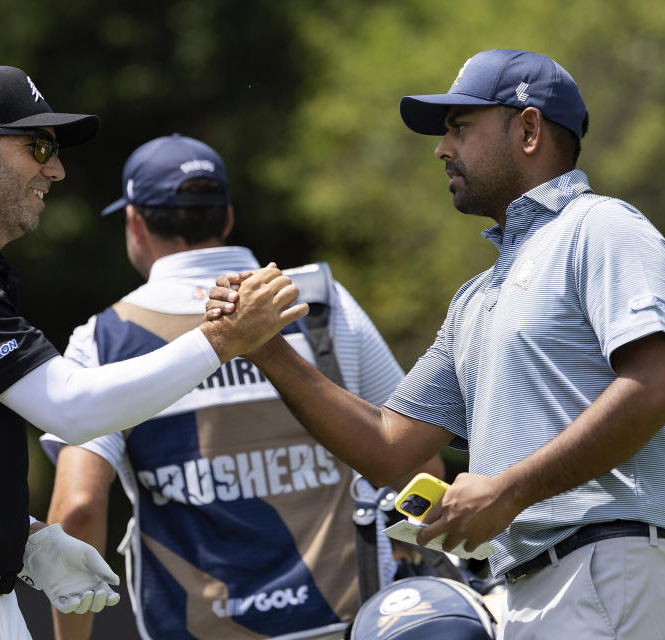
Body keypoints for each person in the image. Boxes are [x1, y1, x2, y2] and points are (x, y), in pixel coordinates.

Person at [208, 49, 665, 639]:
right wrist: (265, 347)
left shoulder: (603, 227)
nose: (442, 149)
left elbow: (658, 386)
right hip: (531, 586)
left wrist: (506, 491)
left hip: (610, 564)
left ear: (528, 128)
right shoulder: (475, 297)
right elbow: (389, 448)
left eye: (461, 128)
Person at [0, 66, 304, 640]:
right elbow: (74, 409)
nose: (58, 169)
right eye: (38, 145)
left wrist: (25, 538)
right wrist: (225, 339)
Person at [41, 133, 444, 640]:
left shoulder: (104, 338)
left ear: (135, 223)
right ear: (227, 218)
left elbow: (78, 509)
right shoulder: (320, 304)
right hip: (348, 620)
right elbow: (419, 462)